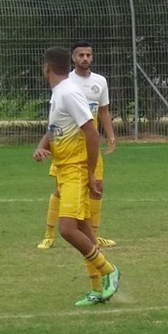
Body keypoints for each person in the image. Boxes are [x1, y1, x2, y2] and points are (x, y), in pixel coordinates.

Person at [33, 46, 121, 307]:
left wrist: (90, 173)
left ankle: (109, 270)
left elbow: (92, 133)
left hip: (76, 170)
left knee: (68, 229)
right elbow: (58, 129)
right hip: (64, 169)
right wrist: (43, 147)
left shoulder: (68, 93)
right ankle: (97, 289)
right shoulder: (61, 93)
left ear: (47, 68)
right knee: (84, 230)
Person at [38, 41, 117, 250]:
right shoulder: (65, 85)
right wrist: (43, 144)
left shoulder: (98, 82)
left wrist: (110, 135)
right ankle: (49, 234)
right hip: (68, 151)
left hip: (86, 149)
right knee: (62, 194)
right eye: (81, 55)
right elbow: (56, 123)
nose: (85, 58)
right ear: (72, 58)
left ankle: (94, 240)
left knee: (95, 189)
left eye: (88, 55)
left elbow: (103, 112)